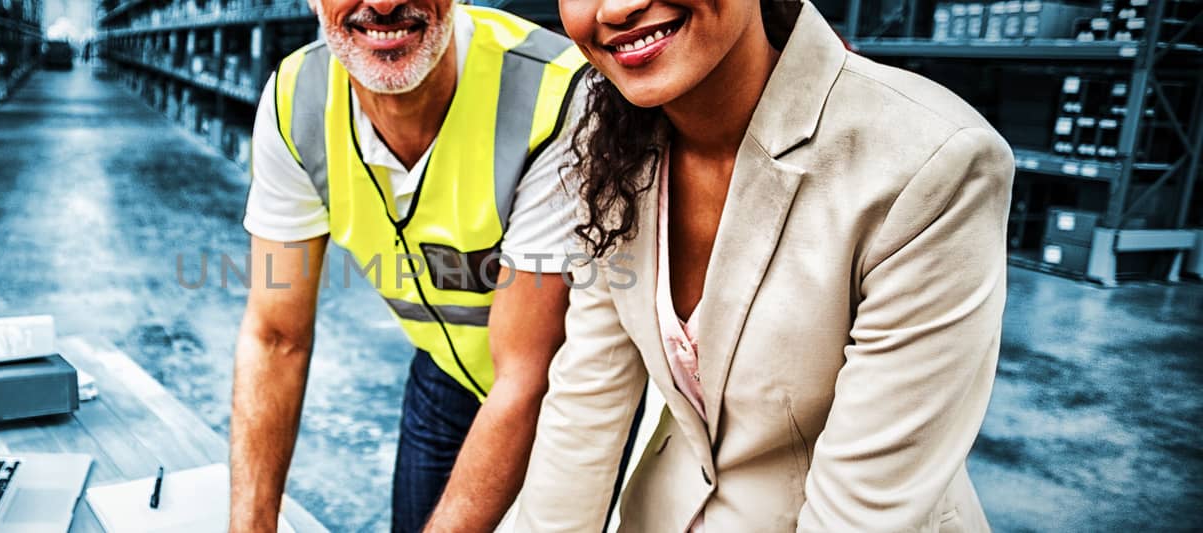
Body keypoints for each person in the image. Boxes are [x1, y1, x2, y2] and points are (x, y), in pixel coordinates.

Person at [515, 0, 1012, 530]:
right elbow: (585, 406)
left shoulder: (930, 160)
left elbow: (862, 513)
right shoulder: (611, 150)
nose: (617, 7)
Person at [228, 0, 590, 529]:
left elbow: (524, 376)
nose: (382, 3)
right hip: (443, 371)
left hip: (564, 385)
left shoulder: (553, 92)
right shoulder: (295, 101)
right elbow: (275, 337)